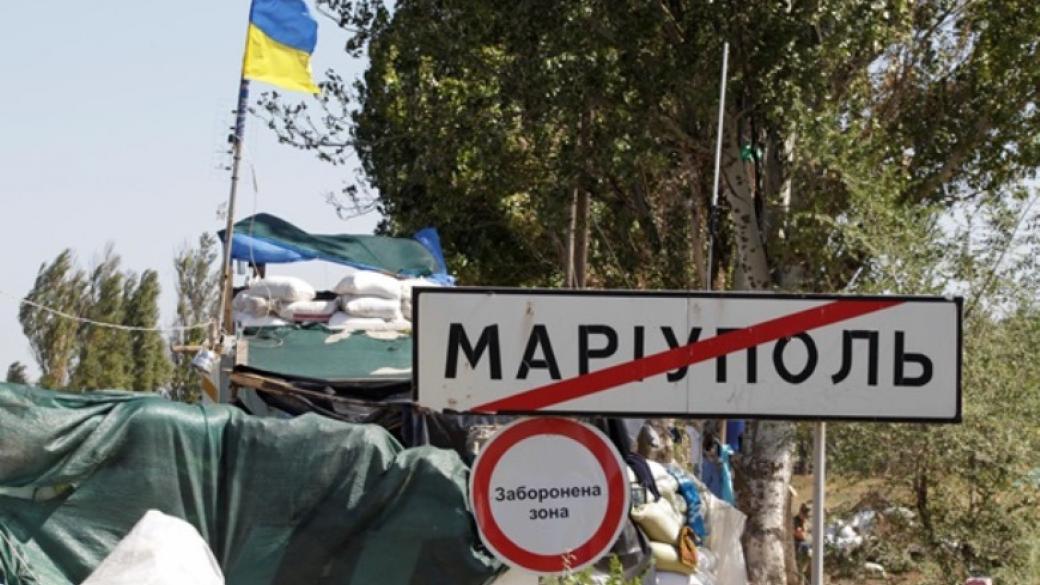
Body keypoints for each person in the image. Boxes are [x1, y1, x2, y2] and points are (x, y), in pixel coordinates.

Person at [793, 503, 811, 578]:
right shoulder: (795, 520)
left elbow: (805, 534)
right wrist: (804, 535)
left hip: (803, 543)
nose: (805, 515)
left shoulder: (804, 521)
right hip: (796, 543)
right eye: (804, 513)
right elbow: (800, 535)